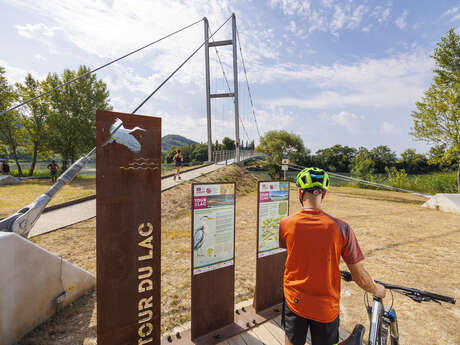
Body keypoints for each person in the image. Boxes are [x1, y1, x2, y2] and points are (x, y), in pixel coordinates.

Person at [279, 167, 386, 345]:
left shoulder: (285, 224)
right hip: (325, 307)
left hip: (294, 299)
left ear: (300, 192)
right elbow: (360, 276)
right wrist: (377, 290)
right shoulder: (342, 228)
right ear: (324, 193)